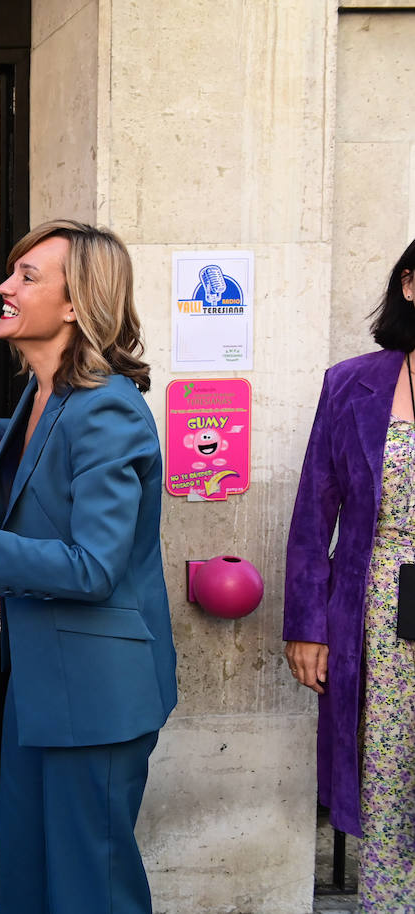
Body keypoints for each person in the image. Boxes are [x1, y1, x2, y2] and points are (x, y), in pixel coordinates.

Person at [0, 220, 177, 914]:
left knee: (94, 885)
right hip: (43, 681)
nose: (5, 285)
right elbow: (50, 462)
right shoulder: (42, 396)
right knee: (31, 872)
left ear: (75, 304)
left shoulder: (108, 410)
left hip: (98, 696)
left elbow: (94, 566)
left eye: (28, 276)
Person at [285, 237, 415, 909]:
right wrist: (308, 625)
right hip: (381, 615)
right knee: (388, 780)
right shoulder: (353, 384)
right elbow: (314, 514)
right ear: (411, 286)